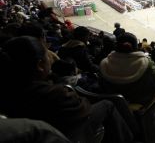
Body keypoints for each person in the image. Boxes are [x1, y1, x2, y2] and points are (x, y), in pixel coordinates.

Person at [0, 36, 134, 143]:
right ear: (40, 65)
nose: (50, 59)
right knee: (107, 104)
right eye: (47, 55)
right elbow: (83, 109)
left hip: (52, 130)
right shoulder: (53, 93)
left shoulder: (7, 89)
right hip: (69, 134)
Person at [100, 32, 155, 105]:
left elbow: (102, 85)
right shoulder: (145, 62)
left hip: (114, 104)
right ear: (136, 46)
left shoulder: (104, 63)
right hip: (140, 103)